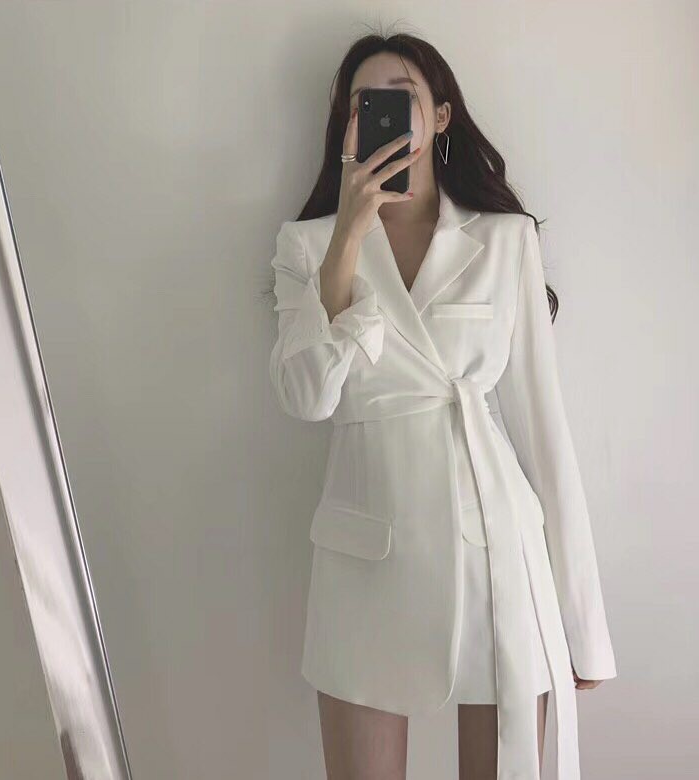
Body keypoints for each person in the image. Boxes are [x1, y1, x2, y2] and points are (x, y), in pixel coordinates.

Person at [268, 32, 617, 780]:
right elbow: (307, 397)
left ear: (440, 117)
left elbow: (542, 432)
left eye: (402, 99)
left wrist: (583, 626)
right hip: (366, 562)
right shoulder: (308, 246)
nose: (380, 115)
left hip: (495, 552)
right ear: (345, 124)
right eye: (364, 104)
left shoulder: (504, 240)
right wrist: (349, 235)